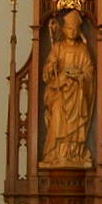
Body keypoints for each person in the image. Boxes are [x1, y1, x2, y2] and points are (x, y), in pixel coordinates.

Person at [40, 9, 94, 166]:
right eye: (69, 28)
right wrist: (51, 67)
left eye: (75, 29)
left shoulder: (82, 49)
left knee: (76, 123)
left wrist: (79, 75)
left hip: (77, 93)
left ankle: (73, 153)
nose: (73, 31)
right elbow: (47, 71)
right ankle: (57, 153)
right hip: (60, 91)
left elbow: (89, 71)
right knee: (57, 113)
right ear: (63, 29)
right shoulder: (57, 48)